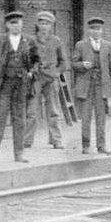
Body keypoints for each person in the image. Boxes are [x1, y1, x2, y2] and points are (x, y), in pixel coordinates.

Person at [0, 9, 39, 163]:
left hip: (21, 85)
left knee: (19, 119)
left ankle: (19, 154)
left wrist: (31, 72)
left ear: (22, 24)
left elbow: (36, 61)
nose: (16, 26)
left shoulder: (29, 41)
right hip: (4, 86)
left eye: (18, 23)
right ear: (7, 25)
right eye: (12, 23)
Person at [72, 15, 111, 155]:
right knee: (86, 117)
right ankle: (86, 146)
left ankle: (101, 146)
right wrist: (82, 65)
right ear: (89, 30)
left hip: (101, 86)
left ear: (102, 30)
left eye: (98, 29)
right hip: (86, 85)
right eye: (93, 29)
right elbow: (72, 63)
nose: (96, 31)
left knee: (101, 117)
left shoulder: (108, 46)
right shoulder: (80, 45)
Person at [29, 11, 68, 150]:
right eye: (41, 23)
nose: (44, 26)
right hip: (35, 80)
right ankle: (27, 141)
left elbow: (64, 63)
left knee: (53, 111)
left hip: (51, 80)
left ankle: (56, 140)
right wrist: (30, 71)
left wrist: (56, 73)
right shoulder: (30, 41)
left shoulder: (56, 41)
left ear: (51, 26)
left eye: (47, 23)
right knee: (31, 111)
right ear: (37, 24)